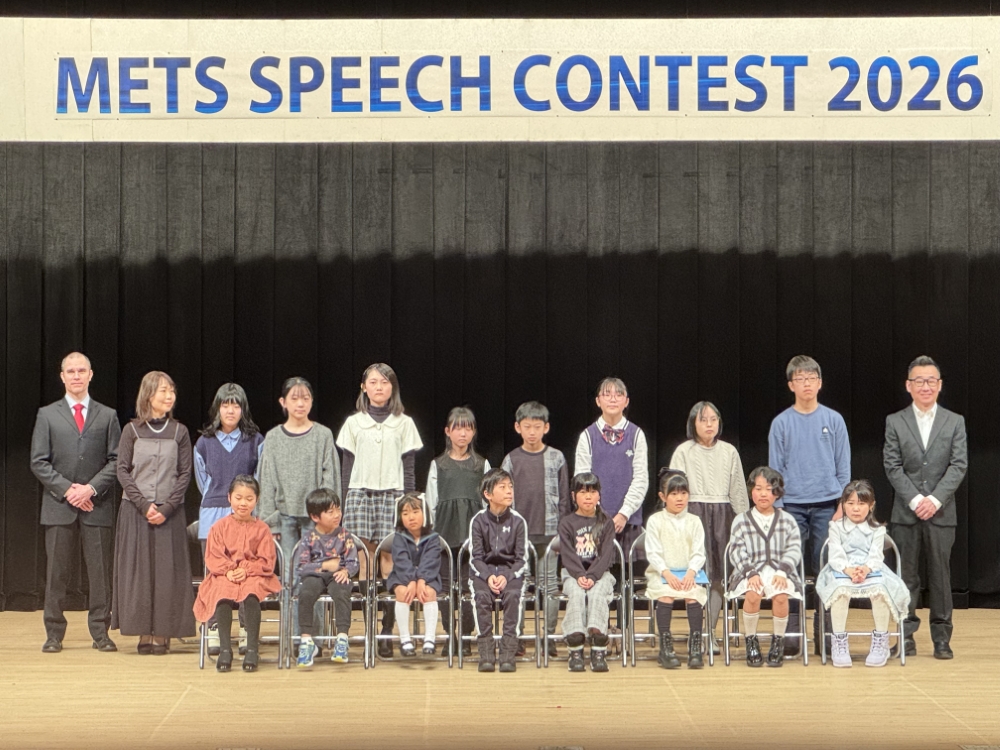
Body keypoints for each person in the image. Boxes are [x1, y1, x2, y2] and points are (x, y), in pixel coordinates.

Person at [30, 352, 122, 654]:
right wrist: (69, 490)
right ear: (62, 376)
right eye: (71, 371)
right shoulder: (47, 415)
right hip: (59, 506)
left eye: (82, 370)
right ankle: (53, 634)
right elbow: (38, 461)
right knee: (56, 574)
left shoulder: (107, 415)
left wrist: (90, 489)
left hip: (97, 506)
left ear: (91, 374)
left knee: (100, 575)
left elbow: (117, 460)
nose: (76, 376)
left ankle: (101, 633)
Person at [883, 355, 967, 660]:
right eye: (919, 381)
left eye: (931, 380)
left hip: (941, 512)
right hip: (906, 513)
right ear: (909, 385)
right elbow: (892, 466)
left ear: (939, 384)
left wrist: (934, 500)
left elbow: (958, 465)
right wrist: (917, 500)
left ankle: (942, 638)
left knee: (940, 577)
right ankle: (905, 635)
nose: (925, 386)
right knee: (906, 576)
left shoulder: (955, 421)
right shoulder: (895, 421)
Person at [337, 363, 423, 656]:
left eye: (384, 382)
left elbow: (409, 470)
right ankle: (369, 630)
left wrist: (409, 506)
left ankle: (387, 631)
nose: (378, 387)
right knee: (364, 560)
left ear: (392, 387)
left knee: (389, 560)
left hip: (393, 496)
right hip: (360, 495)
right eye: (373, 382)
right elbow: (347, 468)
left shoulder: (404, 423)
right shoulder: (354, 423)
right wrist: (344, 502)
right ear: (364, 387)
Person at [768, 355, 850, 655]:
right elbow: (775, 470)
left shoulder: (834, 420)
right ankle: (791, 633)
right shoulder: (781, 423)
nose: (806, 384)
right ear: (791, 385)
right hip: (791, 507)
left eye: (811, 378)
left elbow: (843, 466)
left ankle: (825, 632)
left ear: (820, 383)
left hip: (828, 505)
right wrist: (778, 507)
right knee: (789, 569)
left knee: (826, 569)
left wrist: (842, 503)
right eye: (800, 379)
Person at [111, 371, 195, 654]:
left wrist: (167, 507)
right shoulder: (131, 430)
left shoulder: (180, 432)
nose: (169, 396)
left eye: (172, 390)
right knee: (140, 574)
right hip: (136, 512)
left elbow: (184, 473)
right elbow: (122, 471)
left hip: (170, 513)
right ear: (148, 395)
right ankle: (143, 630)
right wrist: (145, 505)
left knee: (166, 574)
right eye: (163, 391)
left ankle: (163, 632)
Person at [257, 376, 340, 638]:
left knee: (314, 578)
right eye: (294, 398)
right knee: (290, 578)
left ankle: (313, 639)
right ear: (283, 402)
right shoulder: (273, 437)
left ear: (312, 402)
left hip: (315, 520)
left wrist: (328, 517)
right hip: (284, 518)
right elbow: (266, 479)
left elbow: (330, 478)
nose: (300, 403)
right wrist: (269, 521)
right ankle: (293, 637)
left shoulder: (322, 435)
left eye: (305, 398)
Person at [669, 400, 746, 650]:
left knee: (718, 577)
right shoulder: (683, 451)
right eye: (703, 420)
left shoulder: (729, 451)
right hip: (692, 515)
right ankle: (696, 632)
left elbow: (738, 491)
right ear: (693, 423)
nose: (709, 424)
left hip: (723, 516)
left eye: (714, 419)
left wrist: (744, 524)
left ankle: (709, 632)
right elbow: (674, 491)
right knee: (696, 575)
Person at [193, 383, 264, 655]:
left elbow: (259, 479)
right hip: (213, 512)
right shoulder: (204, 443)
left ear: (243, 409)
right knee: (215, 574)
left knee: (246, 573)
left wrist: (243, 505)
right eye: (225, 405)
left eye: (236, 405)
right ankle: (213, 628)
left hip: (245, 515)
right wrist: (221, 499)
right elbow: (203, 481)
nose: (230, 410)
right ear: (217, 408)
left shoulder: (255, 441)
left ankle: (246, 629)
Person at [815, 480, 911, 668]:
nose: (856, 508)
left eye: (861, 503)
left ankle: (881, 641)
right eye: (850, 503)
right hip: (842, 570)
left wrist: (865, 569)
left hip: (871, 570)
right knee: (840, 592)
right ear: (843, 505)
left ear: (871, 505)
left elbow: (876, 556)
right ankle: (839, 642)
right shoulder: (836, 527)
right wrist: (848, 570)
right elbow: (835, 554)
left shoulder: (877, 529)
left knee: (880, 591)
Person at [501, 401, 571, 656]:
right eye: (527, 426)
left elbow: (564, 497)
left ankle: (549, 636)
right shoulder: (511, 459)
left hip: (550, 534)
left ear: (546, 428)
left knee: (549, 586)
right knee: (519, 586)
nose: (532, 432)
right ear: (517, 427)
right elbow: (503, 499)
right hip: (520, 535)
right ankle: (517, 636)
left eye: (537, 426)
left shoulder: (556, 457)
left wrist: (563, 531)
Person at [193, 475, 281, 672]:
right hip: (225, 574)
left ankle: (252, 649)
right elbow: (214, 556)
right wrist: (229, 570)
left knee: (251, 592)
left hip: (255, 574)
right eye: (238, 498)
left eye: (249, 499)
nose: (243, 503)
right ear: (229, 497)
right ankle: (225, 649)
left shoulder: (262, 529)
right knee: (222, 591)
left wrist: (246, 569)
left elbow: (267, 560)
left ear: (256, 500)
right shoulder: (219, 527)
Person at [424, 406, 491, 655]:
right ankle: (449, 634)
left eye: (468, 428)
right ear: (447, 431)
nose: (463, 434)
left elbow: (488, 502)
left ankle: (465, 634)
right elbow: (431, 502)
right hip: (444, 532)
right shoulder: (438, 465)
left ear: (473, 433)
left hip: (472, 536)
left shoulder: (481, 464)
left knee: (467, 586)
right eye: (458, 428)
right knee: (443, 587)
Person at [727, 466, 804, 668]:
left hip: (781, 571)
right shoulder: (741, 520)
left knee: (780, 596)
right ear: (751, 491)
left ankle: (778, 642)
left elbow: (794, 548)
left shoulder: (787, 520)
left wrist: (782, 571)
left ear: (777, 493)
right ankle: (751, 640)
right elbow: (736, 550)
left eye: (769, 489)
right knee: (753, 594)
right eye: (758, 488)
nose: (763, 494)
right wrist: (750, 572)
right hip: (749, 571)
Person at [575, 377, 648, 558]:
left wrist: (624, 513)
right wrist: (598, 514)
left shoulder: (637, 435)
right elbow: (581, 481)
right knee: (595, 570)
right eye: (607, 394)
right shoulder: (587, 436)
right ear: (598, 401)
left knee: (627, 571)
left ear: (626, 401)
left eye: (618, 395)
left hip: (628, 521)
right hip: (594, 521)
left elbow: (641, 479)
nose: (613, 399)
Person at [645, 469, 708, 670]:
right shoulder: (656, 520)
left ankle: (695, 646)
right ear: (663, 496)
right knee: (666, 595)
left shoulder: (694, 521)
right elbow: (653, 552)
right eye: (673, 494)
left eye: (683, 493)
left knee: (693, 595)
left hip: (689, 573)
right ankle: (666, 647)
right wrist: (666, 572)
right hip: (661, 573)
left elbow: (699, 552)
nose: (679, 498)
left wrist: (691, 572)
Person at [469, 468, 529, 673]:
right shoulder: (478, 521)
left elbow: (521, 559)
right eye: (502, 487)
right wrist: (488, 576)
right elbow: (476, 558)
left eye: (510, 486)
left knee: (513, 596)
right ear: (488, 494)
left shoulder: (518, 521)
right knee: (481, 597)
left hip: (510, 572)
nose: (509, 491)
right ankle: (486, 654)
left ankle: (507, 654)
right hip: (483, 572)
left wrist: (506, 576)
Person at [295, 488, 360, 668]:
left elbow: (353, 561)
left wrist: (346, 571)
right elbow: (301, 566)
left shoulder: (344, 535)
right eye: (330, 512)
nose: (337, 515)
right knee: (306, 593)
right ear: (315, 517)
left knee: (342, 591)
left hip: (337, 574)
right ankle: (307, 641)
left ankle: (342, 639)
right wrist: (324, 566)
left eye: (338, 509)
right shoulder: (309, 537)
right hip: (315, 575)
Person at [557, 472, 615, 673]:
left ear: (599, 495)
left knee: (598, 593)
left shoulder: (606, 522)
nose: (588, 497)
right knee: (576, 593)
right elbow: (567, 555)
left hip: (600, 573)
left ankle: (598, 647)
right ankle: (575, 648)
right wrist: (580, 575)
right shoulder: (567, 523)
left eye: (592, 492)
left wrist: (592, 576)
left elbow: (606, 555)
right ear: (574, 496)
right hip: (573, 573)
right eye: (582, 492)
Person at [386, 493, 443, 657]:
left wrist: (422, 579)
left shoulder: (433, 538)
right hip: (401, 576)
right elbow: (401, 560)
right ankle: (405, 639)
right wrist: (411, 580)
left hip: (429, 576)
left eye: (415, 512)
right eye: (405, 513)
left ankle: (429, 638)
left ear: (425, 513)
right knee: (402, 593)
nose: (411, 517)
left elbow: (431, 560)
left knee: (429, 593)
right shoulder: (399, 537)